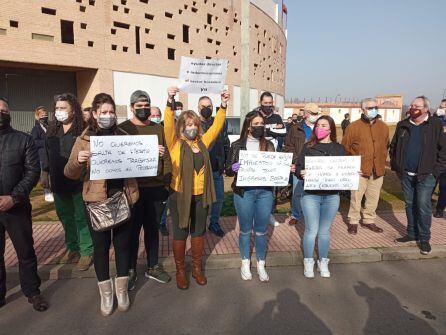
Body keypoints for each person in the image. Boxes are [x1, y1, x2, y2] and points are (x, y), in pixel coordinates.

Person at [65, 93, 139, 316]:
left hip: (123, 198)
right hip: (97, 203)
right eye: (103, 112)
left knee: (123, 246)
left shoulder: (125, 136)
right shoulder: (83, 140)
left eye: (111, 112)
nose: (108, 116)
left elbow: (138, 164)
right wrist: (78, 161)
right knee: (100, 248)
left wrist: (150, 155)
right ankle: (106, 295)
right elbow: (69, 172)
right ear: (95, 114)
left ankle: (122, 290)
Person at [164, 86, 230, 290]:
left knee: (199, 232)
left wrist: (223, 105)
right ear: (181, 126)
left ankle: (196, 268)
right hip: (180, 196)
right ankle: (180, 270)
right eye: (187, 124)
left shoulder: (202, 141)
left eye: (194, 124)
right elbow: (167, 123)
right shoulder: (174, 142)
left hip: (202, 195)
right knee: (180, 233)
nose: (191, 127)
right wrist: (170, 100)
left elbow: (217, 125)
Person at [119, 91, 172, 291]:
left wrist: (166, 182)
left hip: (156, 188)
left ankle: (153, 265)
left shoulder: (159, 129)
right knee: (131, 231)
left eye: (146, 105)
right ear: (132, 107)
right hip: (132, 189)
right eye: (139, 105)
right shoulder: (123, 129)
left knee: (152, 230)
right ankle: (130, 269)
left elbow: (167, 157)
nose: (143, 109)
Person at [0, 97, 48, 311]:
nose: (0, 113)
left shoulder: (24, 139)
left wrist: (14, 197)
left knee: (25, 252)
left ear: (9, 113)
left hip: (16, 206)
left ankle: (32, 291)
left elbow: (32, 172)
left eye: (3, 110)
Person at [226, 111, 281, 282]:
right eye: (256, 124)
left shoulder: (269, 145)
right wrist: (233, 168)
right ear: (248, 126)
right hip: (244, 192)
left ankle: (261, 264)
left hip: (264, 192)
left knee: (261, 230)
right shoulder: (237, 145)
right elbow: (227, 170)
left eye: (261, 124)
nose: (260, 127)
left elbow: (275, 168)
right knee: (245, 229)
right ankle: (245, 262)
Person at [41, 93, 93, 271]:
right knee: (65, 217)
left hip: (79, 182)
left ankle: (86, 251)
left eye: (63, 108)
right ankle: (73, 247)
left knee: (81, 217)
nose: (59, 111)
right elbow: (47, 155)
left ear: (73, 111)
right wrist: (44, 173)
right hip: (57, 181)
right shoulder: (51, 130)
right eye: (57, 108)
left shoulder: (84, 129)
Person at [390, 96, 446, 255]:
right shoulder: (403, 125)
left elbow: (444, 151)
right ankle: (411, 233)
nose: (413, 107)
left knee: (423, 205)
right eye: (412, 105)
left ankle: (424, 238)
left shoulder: (436, 125)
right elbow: (393, 147)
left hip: (427, 175)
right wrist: (397, 165)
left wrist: (435, 172)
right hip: (406, 174)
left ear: (426, 108)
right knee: (409, 204)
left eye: (418, 105)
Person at [297, 115, 346, 278]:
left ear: (330, 129)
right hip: (311, 195)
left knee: (324, 231)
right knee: (311, 230)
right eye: (318, 125)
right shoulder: (308, 147)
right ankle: (308, 261)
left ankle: (323, 261)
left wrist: (352, 173)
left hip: (332, 196)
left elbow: (344, 169)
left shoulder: (339, 149)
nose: (320, 128)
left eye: (323, 125)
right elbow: (298, 167)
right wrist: (300, 172)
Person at [342, 98, 389, 235]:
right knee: (356, 197)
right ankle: (353, 221)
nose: (373, 110)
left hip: (378, 168)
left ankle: (369, 220)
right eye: (369, 108)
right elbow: (345, 147)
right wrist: (352, 164)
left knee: (373, 197)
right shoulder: (353, 127)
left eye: (375, 107)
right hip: (360, 169)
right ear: (362, 110)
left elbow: (386, 145)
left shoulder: (383, 127)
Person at [284, 103, 321, 226]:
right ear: (305, 114)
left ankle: (313, 214)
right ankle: (296, 214)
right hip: (299, 165)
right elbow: (289, 146)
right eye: (312, 113)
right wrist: (295, 161)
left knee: (315, 192)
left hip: (317, 166)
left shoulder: (320, 127)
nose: (315, 116)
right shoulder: (295, 128)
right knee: (297, 192)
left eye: (316, 114)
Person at [198, 95, 230, 237]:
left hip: (217, 168)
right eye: (203, 106)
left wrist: (227, 163)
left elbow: (225, 143)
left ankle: (214, 223)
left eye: (209, 106)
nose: (206, 109)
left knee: (219, 198)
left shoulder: (220, 122)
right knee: (201, 200)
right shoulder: (194, 124)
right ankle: (200, 224)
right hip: (200, 170)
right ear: (198, 108)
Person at [254, 92, 286, 225]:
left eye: (270, 103)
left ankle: (269, 214)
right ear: (260, 102)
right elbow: (253, 131)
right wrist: (272, 129)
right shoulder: (254, 115)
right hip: (256, 155)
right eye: (265, 103)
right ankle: (256, 214)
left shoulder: (277, 116)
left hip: (273, 155)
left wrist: (266, 129)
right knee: (256, 184)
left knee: (272, 186)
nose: (268, 105)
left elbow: (283, 132)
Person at [31, 106, 53, 202]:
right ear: (38, 116)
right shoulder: (36, 129)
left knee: (53, 173)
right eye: (42, 115)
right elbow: (34, 142)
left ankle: (54, 190)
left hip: (52, 154)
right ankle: (47, 191)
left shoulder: (50, 126)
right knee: (44, 174)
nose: (44, 116)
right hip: (42, 155)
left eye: (46, 114)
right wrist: (45, 142)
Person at [434, 99, 446, 218]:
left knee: (444, 187)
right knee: (431, 184)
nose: (441, 109)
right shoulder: (435, 119)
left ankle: (440, 209)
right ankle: (425, 205)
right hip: (435, 159)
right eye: (441, 107)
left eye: (444, 107)